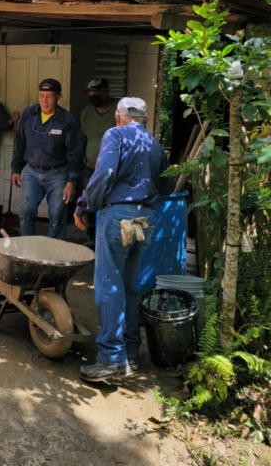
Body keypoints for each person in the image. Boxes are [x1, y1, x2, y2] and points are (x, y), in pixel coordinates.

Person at [74, 97, 173, 382]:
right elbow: (166, 184)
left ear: (120, 116)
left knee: (109, 284)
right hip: (145, 219)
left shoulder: (115, 135)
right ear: (142, 118)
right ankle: (131, 352)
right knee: (130, 284)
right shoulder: (154, 144)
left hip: (118, 217)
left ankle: (110, 359)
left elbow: (103, 173)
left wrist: (84, 204)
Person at [10, 78, 84, 239]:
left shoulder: (68, 121)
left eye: (49, 96)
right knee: (26, 212)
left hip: (58, 174)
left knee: (57, 216)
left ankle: (53, 257)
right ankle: (27, 251)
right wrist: (16, 169)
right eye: (41, 95)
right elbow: (20, 143)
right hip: (32, 171)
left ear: (59, 96)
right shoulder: (29, 114)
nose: (44, 100)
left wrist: (71, 181)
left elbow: (75, 154)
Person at [80, 78, 118, 182]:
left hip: (112, 168)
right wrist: (82, 154)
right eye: (90, 93)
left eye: (96, 93)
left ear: (106, 91)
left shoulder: (119, 110)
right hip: (90, 168)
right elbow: (83, 136)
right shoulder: (87, 112)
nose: (93, 96)